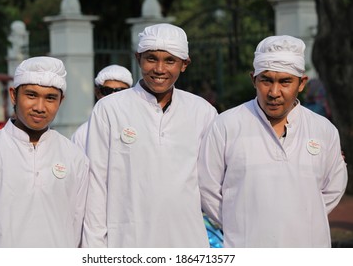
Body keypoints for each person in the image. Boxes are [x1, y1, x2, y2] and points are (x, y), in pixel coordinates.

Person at [197, 35, 348, 248]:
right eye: (266, 80)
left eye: (285, 81)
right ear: (254, 80)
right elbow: (208, 187)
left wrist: (300, 218)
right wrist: (243, 222)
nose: (274, 92)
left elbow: (333, 187)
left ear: (301, 83)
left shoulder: (323, 130)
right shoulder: (226, 126)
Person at [82, 23, 217, 247]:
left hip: (188, 243)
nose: (160, 69)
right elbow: (96, 186)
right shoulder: (110, 109)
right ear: (138, 59)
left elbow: (211, 186)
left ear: (184, 64)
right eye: (151, 58)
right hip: (127, 243)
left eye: (170, 60)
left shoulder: (202, 112)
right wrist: (95, 249)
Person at [0, 56, 90, 247]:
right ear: (13, 95)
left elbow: (76, 229)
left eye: (50, 98)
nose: (40, 107)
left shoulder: (75, 158)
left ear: (61, 101)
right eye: (31, 95)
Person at [71, 64, 133, 149]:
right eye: (107, 91)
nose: (113, 96)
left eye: (120, 91)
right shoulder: (83, 133)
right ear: (97, 93)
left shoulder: (140, 126)